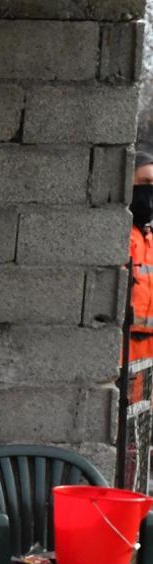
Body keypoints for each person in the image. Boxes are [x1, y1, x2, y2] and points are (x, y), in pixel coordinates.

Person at [127, 151, 153, 414]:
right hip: (120, 346)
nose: (150, 192)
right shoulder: (121, 235)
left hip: (148, 351)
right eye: (144, 184)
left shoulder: (150, 238)